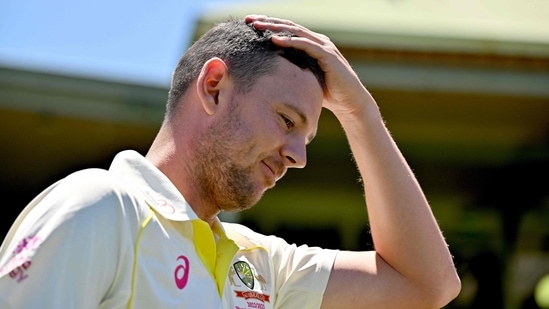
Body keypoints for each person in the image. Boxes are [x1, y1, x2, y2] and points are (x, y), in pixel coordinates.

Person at [0, 15, 461, 308]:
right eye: (286, 120)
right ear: (215, 86)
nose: (298, 156)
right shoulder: (102, 207)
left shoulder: (262, 265)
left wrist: (361, 113)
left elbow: (428, 285)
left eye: (308, 137)